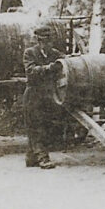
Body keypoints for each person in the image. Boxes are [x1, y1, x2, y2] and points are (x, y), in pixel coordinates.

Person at [23, 25, 63, 169]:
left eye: (49, 41)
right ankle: (43, 158)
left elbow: (65, 63)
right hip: (33, 95)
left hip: (48, 95)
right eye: (44, 41)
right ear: (39, 41)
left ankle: (31, 158)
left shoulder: (55, 53)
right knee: (36, 126)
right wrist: (48, 68)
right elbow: (30, 71)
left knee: (44, 125)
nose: (47, 44)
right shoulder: (30, 53)